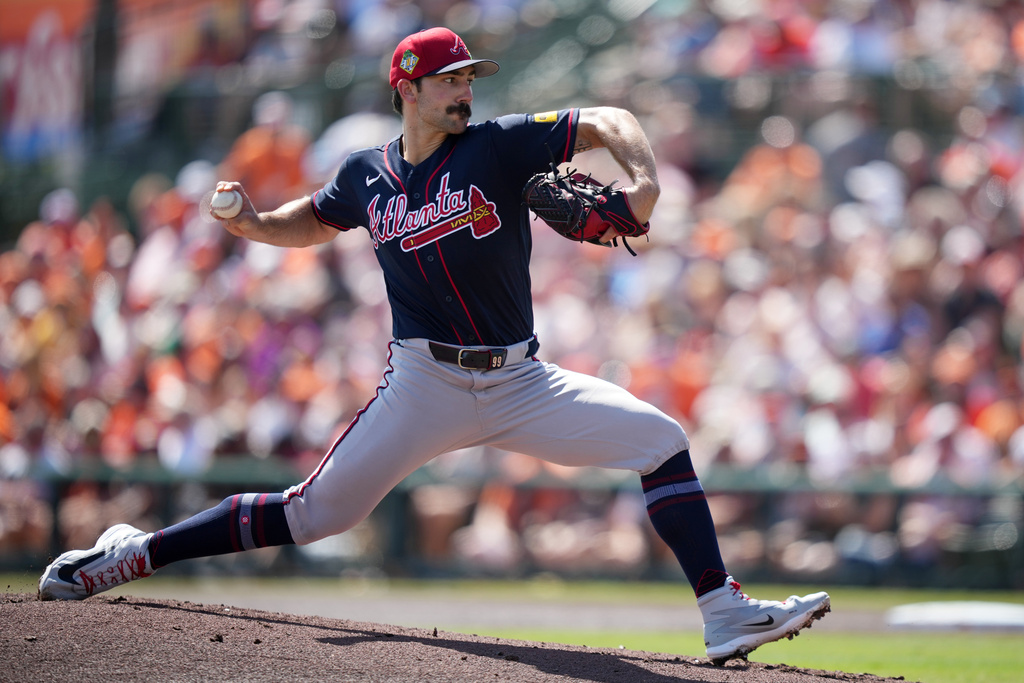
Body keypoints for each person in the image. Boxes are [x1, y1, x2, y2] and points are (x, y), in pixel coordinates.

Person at [39, 27, 830, 665]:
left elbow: (611, 121)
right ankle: (134, 553)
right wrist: (250, 223)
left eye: (469, 76)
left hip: (524, 380)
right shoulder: (366, 175)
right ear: (407, 89)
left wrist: (645, 181)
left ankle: (722, 611)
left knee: (662, 440)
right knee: (315, 516)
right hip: (424, 383)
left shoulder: (498, 145)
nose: (466, 88)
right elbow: (310, 222)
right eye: (450, 78)